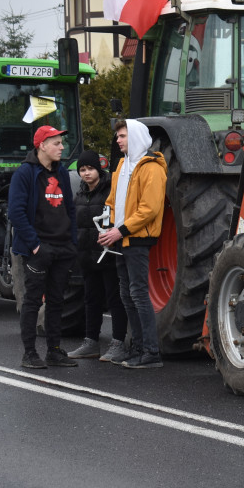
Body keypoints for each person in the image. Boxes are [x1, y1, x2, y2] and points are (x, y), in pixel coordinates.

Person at [8, 125, 79, 369]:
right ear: (42, 146)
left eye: (61, 143)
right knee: (33, 301)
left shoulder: (62, 174)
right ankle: (29, 353)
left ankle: (54, 351)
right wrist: (35, 246)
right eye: (56, 143)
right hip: (38, 248)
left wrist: (72, 242)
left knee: (57, 301)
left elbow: (70, 208)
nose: (62, 147)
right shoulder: (25, 173)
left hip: (62, 248)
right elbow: (16, 212)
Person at [98, 119, 167, 369]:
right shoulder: (122, 166)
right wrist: (106, 225)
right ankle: (137, 347)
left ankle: (151, 351)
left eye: (123, 136)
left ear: (136, 137)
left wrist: (119, 231)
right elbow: (113, 200)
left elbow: (149, 209)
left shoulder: (152, 168)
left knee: (137, 292)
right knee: (127, 294)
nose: (118, 140)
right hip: (121, 236)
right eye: (118, 136)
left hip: (136, 237)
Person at [66, 150, 130, 362]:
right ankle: (91, 342)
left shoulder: (110, 191)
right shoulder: (80, 195)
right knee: (90, 299)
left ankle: (118, 343)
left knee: (114, 299)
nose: (86, 173)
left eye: (90, 169)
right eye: (82, 170)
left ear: (98, 169)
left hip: (108, 255)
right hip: (86, 256)